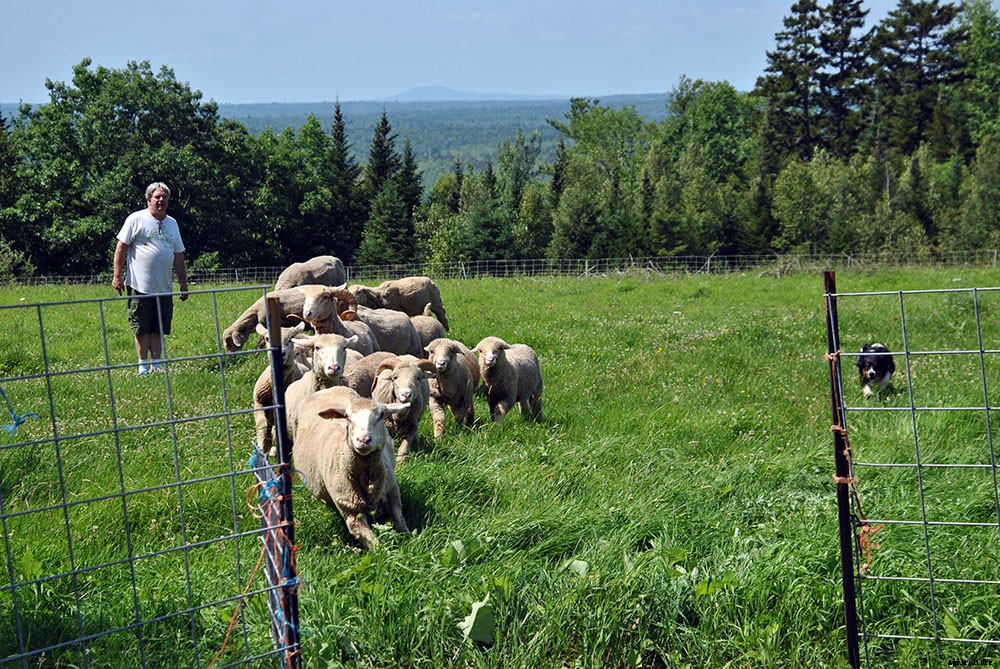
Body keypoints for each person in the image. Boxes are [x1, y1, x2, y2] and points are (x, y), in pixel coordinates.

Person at [112, 182, 189, 376]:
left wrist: (183, 284)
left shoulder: (172, 223)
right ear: (149, 199)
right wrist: (117, 276)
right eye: (157, 197)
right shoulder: (136, 219)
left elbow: (179, 255)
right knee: (141, 326)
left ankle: (156, 365)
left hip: (164, 286)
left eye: (165, 197)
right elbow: (121, 247)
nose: (161, 200)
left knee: (159, 327)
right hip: (140, 285)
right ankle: (143, 367)